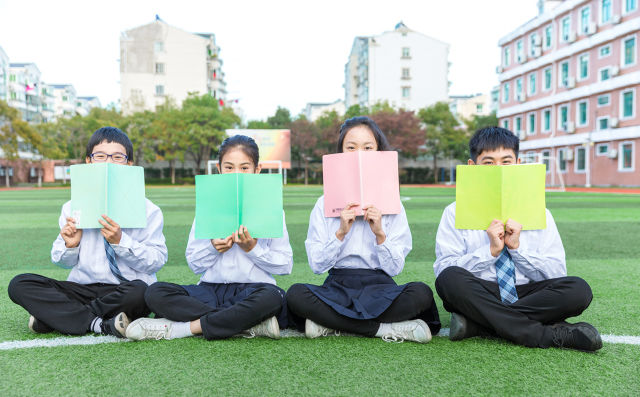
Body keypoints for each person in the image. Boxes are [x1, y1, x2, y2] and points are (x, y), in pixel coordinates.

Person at [434, 126, 601, 351]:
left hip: (528, 293)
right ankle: (543, 335)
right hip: (481, 292)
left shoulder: (539, 211)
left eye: (506, 161)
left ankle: (480, 325)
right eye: (489, 163)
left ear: (519, 164)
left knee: (578, 289)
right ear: (472, 167)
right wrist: (489, 253)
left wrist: (517, 250)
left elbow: (557, 272)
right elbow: (443, 270)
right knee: (449, 280)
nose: (498, 169)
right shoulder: (454, 212)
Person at [286, 116, 441, 343]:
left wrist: (380, 234)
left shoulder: (392, 203)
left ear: (379, 152)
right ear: (340, 153)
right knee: (295, 295)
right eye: (351, 148)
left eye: (368, 148)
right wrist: (340, 233)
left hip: (380, 287)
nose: (359, 154)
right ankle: (382, 329)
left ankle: (333, 324)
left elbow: (395, 268)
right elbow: (317, 266)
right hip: (337, 286)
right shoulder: (324, 202)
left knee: (421, 294)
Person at [126, 135, 293, 341]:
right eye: (229, 167)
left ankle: (185, 328)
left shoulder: (272, 209)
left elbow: (285, 265)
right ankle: (246, 322)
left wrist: (253, 248)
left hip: (255, 290)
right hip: (210, 291)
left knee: (273, 298)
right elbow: (194, 264)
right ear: (219, 170)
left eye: (244, 167)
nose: (236, 174)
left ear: (257, 170)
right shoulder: (208, 206)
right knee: (155, 292)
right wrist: (213, 248)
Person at [8, 126, 168, 338]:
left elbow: (156, 261)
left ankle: (57, 317)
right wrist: (70, 245)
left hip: (125, 290)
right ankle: (99, 323)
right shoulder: (72, 206)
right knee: (20, 284)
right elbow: (61, 261)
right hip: (82, 289)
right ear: (88, 161)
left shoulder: (149, 209)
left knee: (142, 291)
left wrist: (121, 241)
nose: (108, 162)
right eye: (100, 156)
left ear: (129, 164)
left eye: (118, 157)